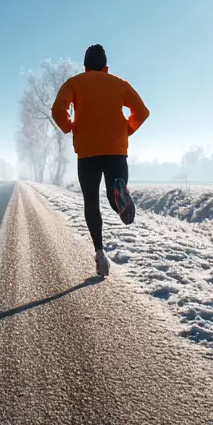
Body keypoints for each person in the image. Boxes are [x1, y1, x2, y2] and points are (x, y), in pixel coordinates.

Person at [51, 44, 149, 277]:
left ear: (85, 66)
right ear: (106, 66)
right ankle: (119, 195)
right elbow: (142, 111)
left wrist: (70, 127)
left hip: (87, 152)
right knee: (113, 189)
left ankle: (99, 253)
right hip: (116, 148)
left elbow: (57, 110)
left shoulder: (75, 83)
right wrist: (126, 130)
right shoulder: (118, 83)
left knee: (91, 202)